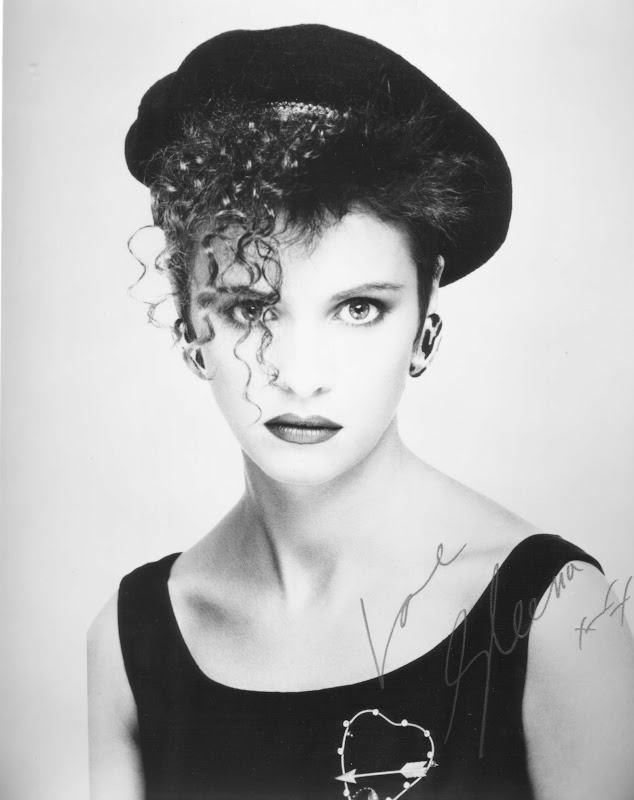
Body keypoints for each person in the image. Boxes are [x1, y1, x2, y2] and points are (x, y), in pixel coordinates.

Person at [88, 24, 634, 800]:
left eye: (358, 309)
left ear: (424, 330)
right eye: (249, 308)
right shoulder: (131, 638)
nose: (301, 377)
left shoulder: (557, 616)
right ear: (189, 332)